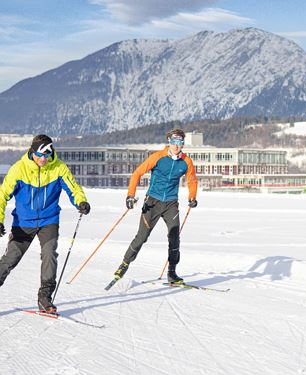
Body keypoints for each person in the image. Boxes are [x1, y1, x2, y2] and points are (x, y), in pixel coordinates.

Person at [0, 134, 90, 313]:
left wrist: (81, 201)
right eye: (40, 154)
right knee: (11, 259)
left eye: (47, 155)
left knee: (49, 255)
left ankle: (45, 298)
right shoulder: (19, 169)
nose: (43, 159)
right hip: (23, 222)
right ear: (32, 151)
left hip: (49, 220)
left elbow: (73, 188)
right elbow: (2, 195)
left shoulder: (59, 168)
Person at [112, 128, 198, 284]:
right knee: (142, 237)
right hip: (153, 202)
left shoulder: (186, 162)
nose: (176, 145)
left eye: (179, 142)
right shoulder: (158, 157)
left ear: (183, 144)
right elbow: (137, 173)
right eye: (173, 142)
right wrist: (130, 195)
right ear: (169, 142)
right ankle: (124, 264)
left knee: (174, 237)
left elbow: (192, 180)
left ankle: (172, 273)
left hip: (171, 203)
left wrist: (192, 197)